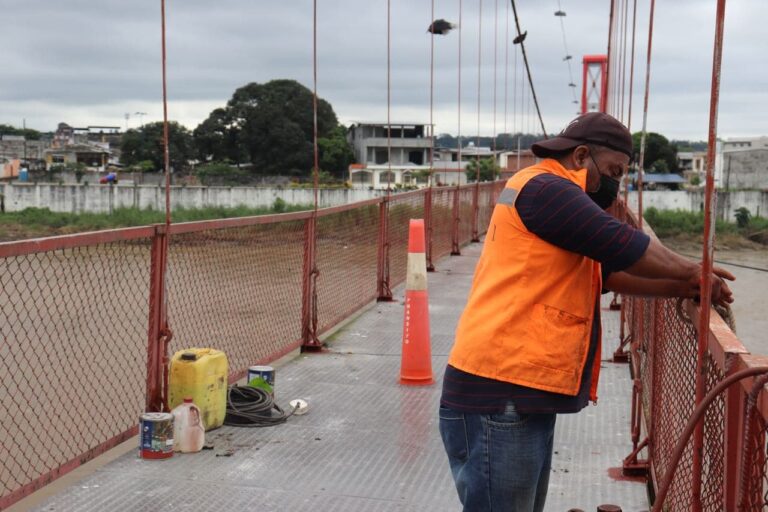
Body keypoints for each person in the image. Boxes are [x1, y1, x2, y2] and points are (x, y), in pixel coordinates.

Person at [438, 112, 734, 512]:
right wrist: (694, 271)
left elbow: (608, 274)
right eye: (613, 171)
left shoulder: (554, 196)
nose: (615, 184)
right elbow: (625, 245)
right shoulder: (546, 189)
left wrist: (683, 286)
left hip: (519, 390)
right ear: (580, 156)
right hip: (500, 392)